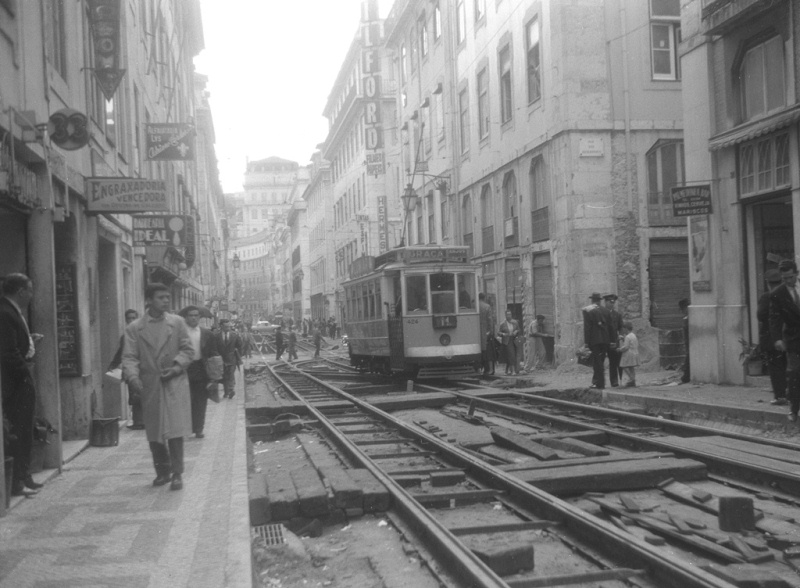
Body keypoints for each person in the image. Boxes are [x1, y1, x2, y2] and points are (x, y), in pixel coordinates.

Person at [122, 283, 194, 491]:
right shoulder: (135, 328)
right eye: (161, 297)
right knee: (154, 431)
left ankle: (177, 473)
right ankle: (162, 472)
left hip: (174, 382)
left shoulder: (178, 323)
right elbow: (129, 357)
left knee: (175, 430)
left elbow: (187, 350)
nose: (166, 300)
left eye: (167, 297)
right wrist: (134, 378)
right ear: (149, 300)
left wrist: (176, 367)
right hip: (150, 384)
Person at [0, 274, 42, 496]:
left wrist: (29, 341)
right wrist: (25, 373)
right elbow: (7, 352)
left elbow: (15, 343)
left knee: (26, 429)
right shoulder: (5, 313)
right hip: (16, 383)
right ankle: (17, 481)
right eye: (30, 289)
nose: (32, 295)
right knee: (20, 428)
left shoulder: (11, 311)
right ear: (20, 292)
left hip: (19, 379)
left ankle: (24, 476)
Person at [179, 306, 220, 438]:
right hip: (184, 369)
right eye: (191, 315)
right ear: (186, 317)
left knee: (201, 401)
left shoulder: (207, 334)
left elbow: (214, 354)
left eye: (196, 315)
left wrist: (214, 376)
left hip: (201, 369)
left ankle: (199, 428)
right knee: (186, 400)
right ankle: (188, 427)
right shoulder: (180, 333)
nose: (194, 318)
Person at [769, 260, 800, 422]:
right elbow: (774, 318)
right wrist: (778, 339)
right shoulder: (778, 293)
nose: (788, 281)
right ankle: (794, 410)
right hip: (794, 338)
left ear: (797, 273)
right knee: (794, 373)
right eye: (784, 278)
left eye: (790, 277)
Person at [108, 309, 145, 429]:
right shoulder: (126, 336)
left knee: (141, 395)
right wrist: (113, 364)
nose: (131, 321)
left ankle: (141, 421)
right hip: (132, 369)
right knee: (134, 394)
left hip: (145, 369)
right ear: (125, 320)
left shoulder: (144, 333)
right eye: (129, 318)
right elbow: (121, 352)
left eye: (134, 318)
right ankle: (139, 421)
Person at [758, 270, 787, 405]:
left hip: (771, 339)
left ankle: (780, 396)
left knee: (775, 368)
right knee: (788, 366)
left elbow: (760, 315)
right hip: (787, 337)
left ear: (768, 283)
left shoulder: (766, 297)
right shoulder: (786, 295)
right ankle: (790, 394)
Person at [583, 292, 613, 389]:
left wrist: (586, 342)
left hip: (594, 340)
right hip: (605, 340)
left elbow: (587, 328)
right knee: (601, 360)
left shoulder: (587, 310)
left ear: (592, 300)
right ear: (600, 300)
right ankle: (597, 381)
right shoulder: (606, 311)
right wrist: (612, 340)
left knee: (597, 362)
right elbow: (611, 327)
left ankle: (600, 383)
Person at [216, 319, 242, 399]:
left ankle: (231, 390)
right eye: (226, 326)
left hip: (232, 358)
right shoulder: (217, 336)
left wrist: (238, 355)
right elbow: (214, 347)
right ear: (222, 326)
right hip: (221, 358)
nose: (228, 328)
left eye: (229, 326)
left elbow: (240, 345)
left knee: (231, 374)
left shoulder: (234, 335)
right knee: (224, 375)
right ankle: (226, 392)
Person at [498, 309, 521, 375]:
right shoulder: (503, 324)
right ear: (505, 315)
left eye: (510, 314)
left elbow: (518, 329)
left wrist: (516, 331)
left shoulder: (515, 322)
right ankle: (513, 371)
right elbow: (498, 332)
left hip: (514, 340)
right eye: (507, 314)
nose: (509, 316)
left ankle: (507, 370)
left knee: (512, 355)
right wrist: (503, 334)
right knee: (511, 354)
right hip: (507, 341)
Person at [478, 293, 496, 375]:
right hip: (485, 331)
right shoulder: (487, 306)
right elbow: (490, 320)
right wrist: (491, 331)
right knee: (488, 351)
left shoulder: (474, 306)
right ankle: (488, 369)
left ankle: (479, 368)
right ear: (484, 298)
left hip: (476, 331)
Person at [618, 322, 639, 387]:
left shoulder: (627, 336)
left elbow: (626, 347)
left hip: (628, 354)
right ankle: (633, 380)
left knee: (623, 366)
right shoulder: (633, 335)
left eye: (624, 329)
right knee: (631, 367)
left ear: (626, 329)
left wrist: (620, 349)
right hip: (634, 352)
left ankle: (631, 379)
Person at [679, 298, 691, 384]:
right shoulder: (686, 318)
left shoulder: (687, 319)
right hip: (688, 342)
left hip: (689, 342)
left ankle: (686, 377)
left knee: (688, 358)